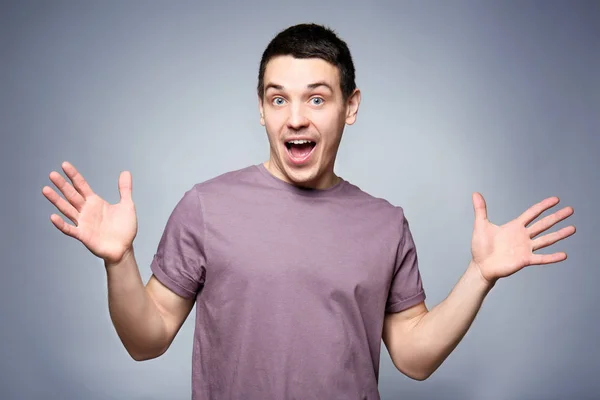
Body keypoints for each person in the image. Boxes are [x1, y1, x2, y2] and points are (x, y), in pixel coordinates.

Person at [42, 23, 576, 399]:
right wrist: (119, 262)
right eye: (278, 99)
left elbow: (413, 357)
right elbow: (146, 340)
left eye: (317, 98)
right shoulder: (205, 206)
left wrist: (479, 276)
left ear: (352, 105)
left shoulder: (385, 222)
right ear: (261, 109)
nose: (295, 117)